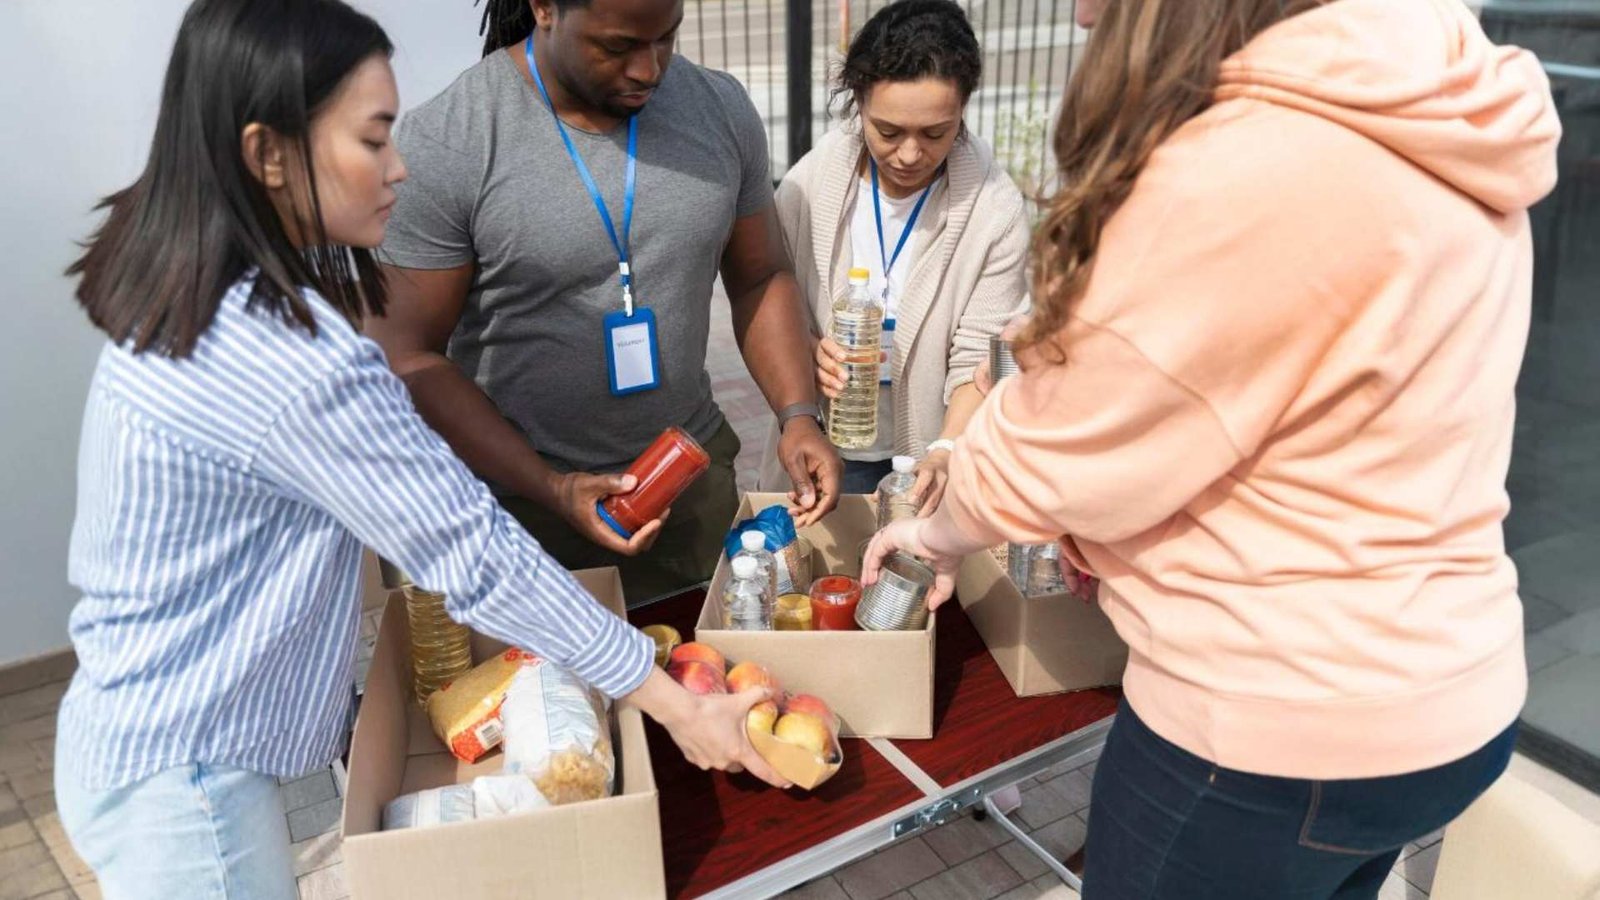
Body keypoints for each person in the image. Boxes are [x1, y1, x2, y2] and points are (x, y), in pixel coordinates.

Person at [54, 2, 784, 896]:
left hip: (142, 740)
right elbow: (468, 549)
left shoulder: (206, 295)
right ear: (267, 154)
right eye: (373, 141)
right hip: (188, 779)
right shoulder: (291, 360)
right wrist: (674, 705)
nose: (401, 169)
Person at [865, 0, 1559, 896]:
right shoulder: (1437, 112)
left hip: (1271, 729)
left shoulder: (1249, 165)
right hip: (1450, 692)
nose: (1079, 13)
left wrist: (939, 531)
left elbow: (1071, 440)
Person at [365, 0, 841, 604]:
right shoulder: (453, 138)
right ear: (543, 9)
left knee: (699, 674)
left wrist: (797, 415)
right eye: (617, 47)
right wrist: (552, 487)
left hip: (684, 494)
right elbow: (409, 355)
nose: (649, 70)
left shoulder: (718, 109)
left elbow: (760, 276)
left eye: (666, 38)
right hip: (517, 514)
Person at [757, 0, 1029, 508]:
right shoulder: (808, 189)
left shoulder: (994, 209)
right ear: (858, 101)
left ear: (963, 108)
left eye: (934, 133)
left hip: (930, 453)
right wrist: (808, 348)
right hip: (830, 445)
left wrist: (946, 450)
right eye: (888, 131)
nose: (909, 154)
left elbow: (981, 356)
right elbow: (773, 300)